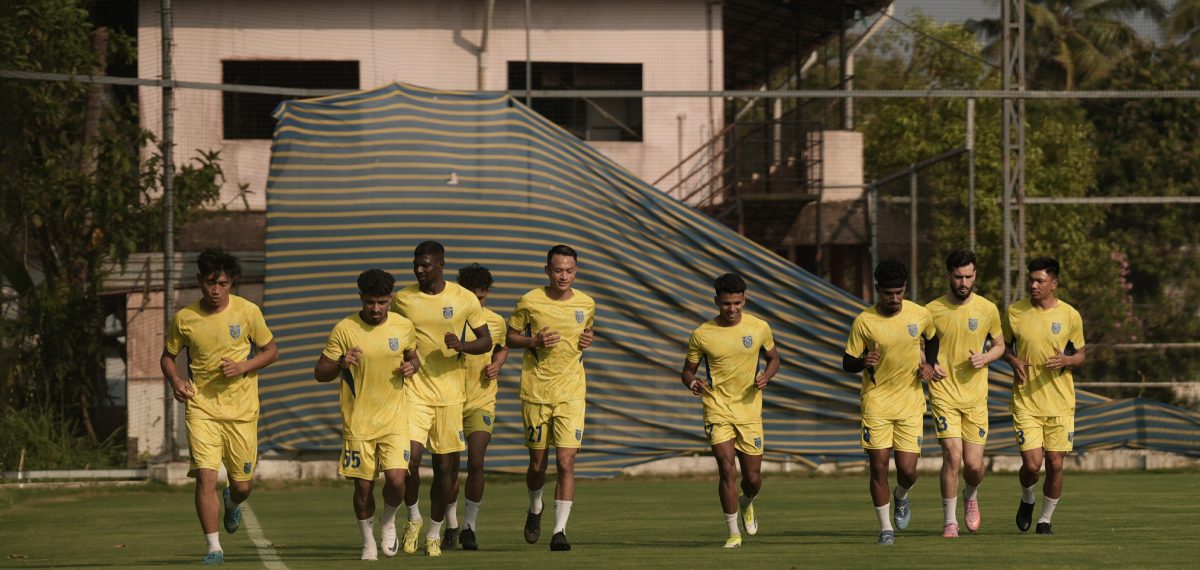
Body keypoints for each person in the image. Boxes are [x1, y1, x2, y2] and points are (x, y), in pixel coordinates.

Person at [160, 249, 279, 565]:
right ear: (200, 280)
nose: (216, 291)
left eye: (223, 284)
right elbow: (168, 357)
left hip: (241, 411)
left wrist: (244, 366)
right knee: (205, 478)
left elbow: (271, 350)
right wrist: (176, 381)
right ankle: (214, 547)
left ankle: (232, 502)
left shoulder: (248, 312)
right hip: (201, 409)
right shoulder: (185, 319)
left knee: (241, 485)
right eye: (210, 283)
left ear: (232, 282)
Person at [390, 241, 492, 557]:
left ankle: (435, 532)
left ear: (441, 264)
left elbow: (486, 341)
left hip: (450, 396)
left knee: (446, 470)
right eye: (416, 264)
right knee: (409, 461)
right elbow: (388, 332)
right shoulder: (403, 299)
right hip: (414, 393)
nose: (420, 270)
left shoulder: (463, 298)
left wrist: (462, 346)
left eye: (426, 265)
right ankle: (414, 518)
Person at [314, 269, 421, 560]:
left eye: (382, 302)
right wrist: (340, 362)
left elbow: (413, 358)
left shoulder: (403, 326)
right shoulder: (344, 329)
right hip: (359, 423)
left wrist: (413, 367)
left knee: (398, 481)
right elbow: (320, 373)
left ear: (391, 299)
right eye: (371, 302)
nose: (376, 309)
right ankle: (368, 542)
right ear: (361, 299)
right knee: (363, 488)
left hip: (395, 420)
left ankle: (388, 522)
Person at [681, 273, 781, 548]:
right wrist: (693, 383)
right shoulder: (702, 334)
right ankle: (733, 533)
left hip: (749, 411)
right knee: (727, 470)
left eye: (737, 303)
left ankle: (747, 502)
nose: (732, 309)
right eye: (726, 304)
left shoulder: (759, 327)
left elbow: (774, 359)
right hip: (717, 409)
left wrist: (766, 376)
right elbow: (687, 372)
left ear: (744, 300)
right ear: (716, 302)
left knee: (752, 479)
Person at [842, 260, 939, 545]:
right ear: (877, 291)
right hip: (876, 403)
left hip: (910, 402)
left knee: (908, 471)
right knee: (879, 467)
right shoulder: (864, 321)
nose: (894, 299)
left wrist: (930, 365)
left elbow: (932, 339)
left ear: (905, 289)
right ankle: (885, 529)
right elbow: (847, 361)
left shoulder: (920, 314)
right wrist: (863, 361)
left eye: (898, 292)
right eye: (888, 293)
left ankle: (902, 496)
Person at [507, 244, 596, 552]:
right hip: (536, 391)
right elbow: (509, 336)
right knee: (537, 464)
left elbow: (586, 332)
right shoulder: (529, 300)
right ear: (547, 270)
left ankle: (559, 531)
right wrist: (532, 340)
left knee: (566, 461)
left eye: (569, 270)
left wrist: (588, 338)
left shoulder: (586, 303)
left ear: (576, 271)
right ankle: (535, 508)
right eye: (558, 270)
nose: (563, 276)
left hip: (572, 392)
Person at [1002, 257, 1086, 535]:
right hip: (1026, 401)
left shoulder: (1070, 315)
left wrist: (1067, 360)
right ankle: (1027, 499)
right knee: (1032, 464)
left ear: (1054, 283)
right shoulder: (1015, 312)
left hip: (1060, 402)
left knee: (1056, 463)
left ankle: (1045, 520)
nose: (1034, 285)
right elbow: (1003, 346)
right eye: (1032, 280)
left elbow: (1081, 355)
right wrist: (1013, 361)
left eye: (1040, 281)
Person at [925, 250, 1005, 538]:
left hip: (975, 398)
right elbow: (915, 345)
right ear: (948, 276)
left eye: (968, 276)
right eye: (958, 277)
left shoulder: (988, 309)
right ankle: (949, 522)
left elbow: (1000, 345)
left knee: (973, 466)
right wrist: (929, 363)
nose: (963, 282)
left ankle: (970, 495)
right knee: (953, 457)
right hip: (943, 393)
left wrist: (986, 358)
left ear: (975, 276)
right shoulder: (931, 310)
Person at [442, 263, 510, 550]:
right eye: (472, 295)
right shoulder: (448, 317)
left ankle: (469, 526)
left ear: (488, 294)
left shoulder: (495, 321)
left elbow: (502, 346)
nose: (477, 302)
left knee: (477, 462)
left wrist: (496, 364)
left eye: (482, 297)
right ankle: (450, 525)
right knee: (448, 468)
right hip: (448, 400)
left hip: (480, 400)